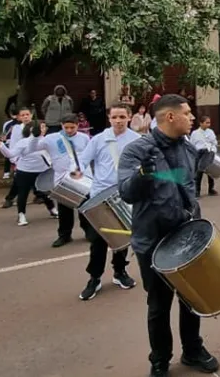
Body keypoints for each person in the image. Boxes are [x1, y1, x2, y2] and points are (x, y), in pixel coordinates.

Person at [118, 94, 220, 377]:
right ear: (170, 117)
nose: (192, 118)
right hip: (152, 242)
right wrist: (142, 174)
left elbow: (188, 190)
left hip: (187, 237)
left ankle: (192, 350)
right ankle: (160, 360)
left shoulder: (187, 149)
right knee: (159, 306)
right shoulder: (136, 151)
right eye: (187, 113)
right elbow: (125, 191)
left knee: (192, 300)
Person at [72, 104, 139, 300]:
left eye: (122, 116)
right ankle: (94, 278)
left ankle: (120, 272)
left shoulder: (136, 140)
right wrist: (77, 171)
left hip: (124, 195)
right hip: (100, 196)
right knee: (98, 240)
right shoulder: (99, 139)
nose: (118, 120)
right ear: (109, 119)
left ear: (129, 117)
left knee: (123, 237)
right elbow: (83, 160)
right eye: (114, 117)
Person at [25, 114, 92, 248]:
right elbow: (31, 149)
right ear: (61, 125)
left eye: (72, 127)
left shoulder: (84, 138)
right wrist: (35, 136)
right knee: (64, 210)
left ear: (77, 125)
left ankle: (89, 232)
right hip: (62, 179)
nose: (69, 130)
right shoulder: (51, 138)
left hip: (82, 178)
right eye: (66, 127)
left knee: (85, 208)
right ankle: (64, 235)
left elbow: (91, 155)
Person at [0, 116, 58, 226]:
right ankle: (21, 215)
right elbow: (10, 154)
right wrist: (1, 147)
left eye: (44, 127)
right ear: (32, 129)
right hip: (25, 172)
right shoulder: (23, 142)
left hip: (42, 171)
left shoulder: (47, 141)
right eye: (41, 127)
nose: (44, 129)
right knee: (22, 194)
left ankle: (52, 209)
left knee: (45, 192)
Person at [190, 115, 218, 197]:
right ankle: (197, 190)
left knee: (210, 171)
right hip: (199, 153)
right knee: (199, 172)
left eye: (209, 123)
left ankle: (211, 188)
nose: (208, 124)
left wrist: (213, 150)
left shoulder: (211, 132)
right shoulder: (195, 133)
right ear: (201, 123)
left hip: (208, 152)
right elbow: (192, 144)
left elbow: (214, 143)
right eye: (206, 123)